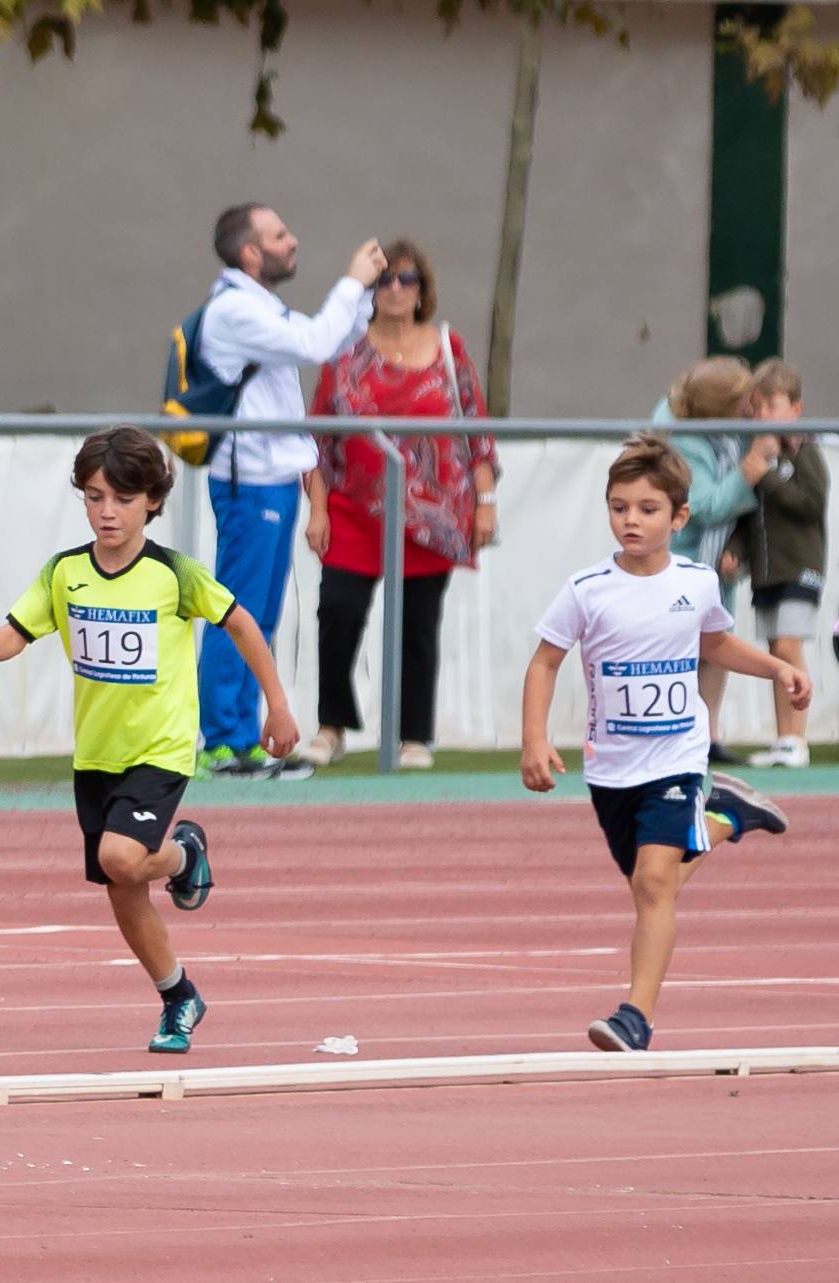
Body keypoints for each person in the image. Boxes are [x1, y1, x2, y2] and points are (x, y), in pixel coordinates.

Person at [0, 427, 298, 1055]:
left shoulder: (174, 575)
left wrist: (276, 707)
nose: (107, 511)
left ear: (151, 500)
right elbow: (19, 628)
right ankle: (178, 995)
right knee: (121, 886)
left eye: (121, 498)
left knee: (123, 857)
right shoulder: (65, 573)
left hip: (162, 750)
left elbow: (243, 624)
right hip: (96, 755)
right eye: (94, 497)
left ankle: (183, 852)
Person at [521, 433, 805, 1053]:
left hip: (677, 757)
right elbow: (545, 662)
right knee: (657, 882)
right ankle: (731, 815)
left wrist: (776, 669)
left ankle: (635, 1018)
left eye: (647, 509)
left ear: (678, 517)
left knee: (654, 883)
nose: (631, 520)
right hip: (611, 769)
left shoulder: (697, 583)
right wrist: (535, 740)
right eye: (620, 507)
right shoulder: (587, 588)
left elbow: (715, 643)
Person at [194, 203, 383, 779]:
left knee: (262, 614)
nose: (292, 241)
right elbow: (314, 346)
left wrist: (365, 293)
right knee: (239, 611)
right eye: (279, 235)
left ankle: (245, 738)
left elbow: (330, 338)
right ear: (250, 252)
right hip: (248, 479)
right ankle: (223, 743)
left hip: (269, 477)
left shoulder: (256, 305)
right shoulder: (232, 310)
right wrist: (351, 281)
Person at [299, 240, 498, 770]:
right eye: (383, 279)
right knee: (337, 613)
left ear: (421, 290)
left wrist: (485, 501)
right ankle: (331, 726)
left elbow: (476, 432)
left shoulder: (449, 348)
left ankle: (415, 736)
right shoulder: (342, 350)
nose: (393, 288)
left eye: (405, 279)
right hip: (353, 507)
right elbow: (315, 439)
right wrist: (317, 509)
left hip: (433, 513)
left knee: (418, 626)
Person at [653, 357, 779, 765]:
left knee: (715, 646)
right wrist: (751, 468)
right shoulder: (684, 438)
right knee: (679, 651)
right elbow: (704, 505)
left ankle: (707, 738)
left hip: (716, 562)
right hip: (680, 559)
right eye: (743, 401)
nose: (750, 409)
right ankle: (673, 740)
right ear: (720, 406)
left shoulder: (725, 433)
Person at [735, 361, 826, 769]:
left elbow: (811, 503)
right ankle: (783, 737)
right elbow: (749, 515)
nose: (766, 415)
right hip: (767, 572)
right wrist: (737, 550)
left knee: (789, 646)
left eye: (775, 405)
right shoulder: (756, 453)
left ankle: (797, 738)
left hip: (800, 569)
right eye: (760, 406)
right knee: (775, 652)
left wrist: (766, 477)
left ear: (795, 408)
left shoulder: (804, 450)